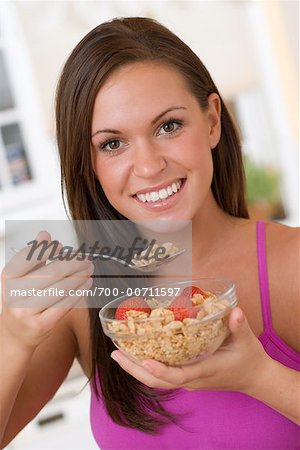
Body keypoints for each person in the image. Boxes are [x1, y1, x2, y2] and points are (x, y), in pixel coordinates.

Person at [1, 17, 299, 450]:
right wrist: (11, 336)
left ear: (212, 120)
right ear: (89, 163)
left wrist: (259, 376)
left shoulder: (289, 264)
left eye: (168, 126)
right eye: (112, 144)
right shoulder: (84, 293)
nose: (148, 166)